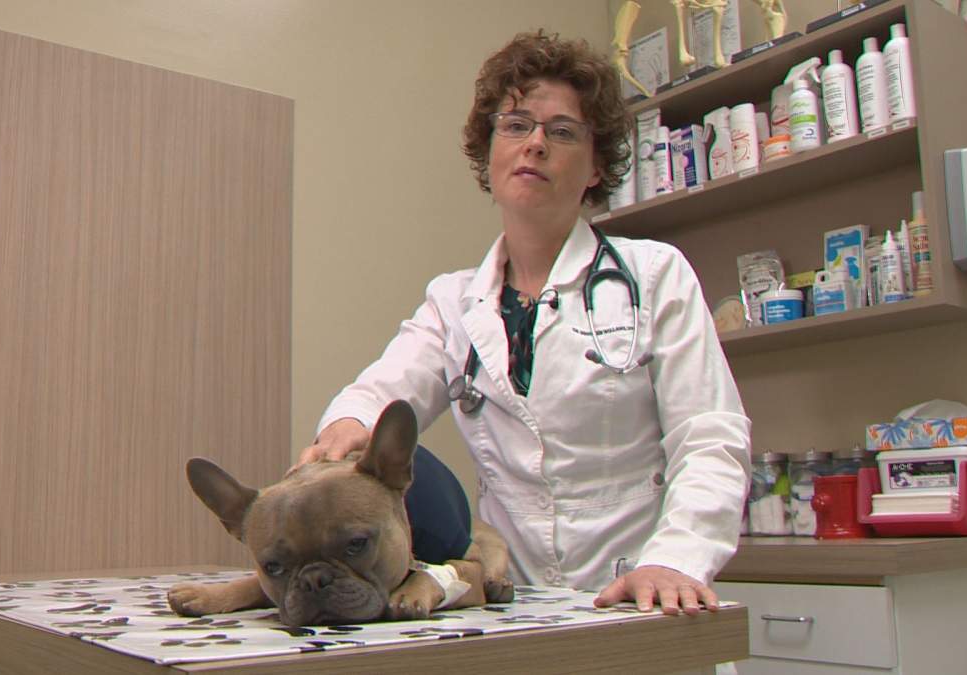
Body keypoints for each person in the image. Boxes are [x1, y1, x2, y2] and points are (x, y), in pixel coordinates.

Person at [296, 30, 751, 616]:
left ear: (596, 166)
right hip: (513, 607)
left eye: (561, 131)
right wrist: (347, 424)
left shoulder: (655, 275)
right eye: (515, 125)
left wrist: (676, 560)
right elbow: (382, 391)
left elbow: (710, 437)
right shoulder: (453, 301)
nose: (534, 143)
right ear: (490, 151)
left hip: (643, 595)